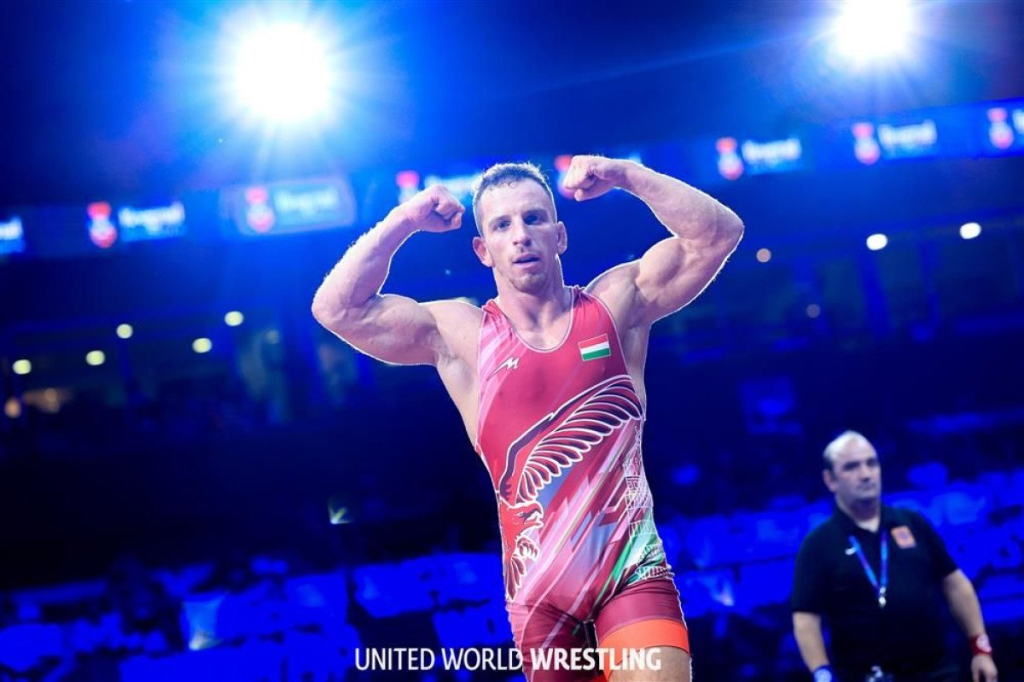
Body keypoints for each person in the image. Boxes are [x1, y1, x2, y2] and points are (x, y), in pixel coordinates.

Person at [312, 156, 743, 681]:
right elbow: (337, 309)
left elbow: (717, 235)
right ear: (483, 250)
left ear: (560, 236)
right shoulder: (463, 336)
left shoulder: (616, 305)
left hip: (631, 573)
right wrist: (404, 220)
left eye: (534, 218)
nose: (520, 235)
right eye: (502, 225)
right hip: (541, 600)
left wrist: (626, 175)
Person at [791, 431, 999, 682]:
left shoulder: (912, 523)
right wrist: (821, 674)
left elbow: (956, 585)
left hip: (936, 673)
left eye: (871, 463)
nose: (865, 474)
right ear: (830, 480)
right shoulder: (819, 544)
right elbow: (805, 617)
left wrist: (980, 649)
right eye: (851, 467)